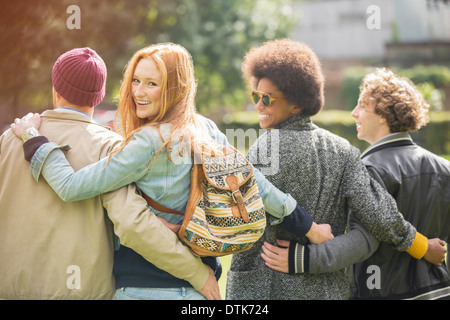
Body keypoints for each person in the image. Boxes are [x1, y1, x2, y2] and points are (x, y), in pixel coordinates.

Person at [11, 43, 333, 300]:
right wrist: (309, 227)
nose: (138, 92)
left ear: (174, 88)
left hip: (142, 287)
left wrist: (34, 140)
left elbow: (70, 187)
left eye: (152, 83)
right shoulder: (205, 128)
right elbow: (255, 184)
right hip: (197, 290)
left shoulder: (146, 142)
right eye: (136, 80)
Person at [226, 39, 444, 300]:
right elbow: (379, 214)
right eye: (255, 96)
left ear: (296, 104)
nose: (258, 105)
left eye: (266, 98)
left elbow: (237, 218)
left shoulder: (264, 149)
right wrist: (419, 245)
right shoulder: (344, 151)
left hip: (265, 288)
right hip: (328, 290)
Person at [0, 47, 220, 299]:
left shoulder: (10, 139)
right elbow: (134, 226)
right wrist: (198, 274)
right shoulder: (110, 146)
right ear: (99, 95)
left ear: (55, 87)